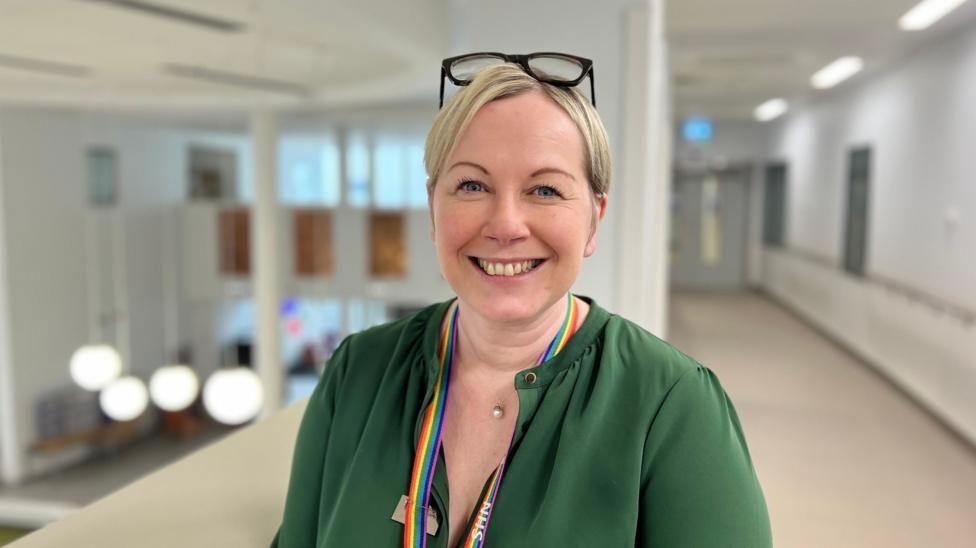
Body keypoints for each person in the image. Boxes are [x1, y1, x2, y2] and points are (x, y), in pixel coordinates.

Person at [271, 53, 771, 547]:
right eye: (471, 185)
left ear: (594, 218)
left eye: (545, 191)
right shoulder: (358, 371)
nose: (506, 225)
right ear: (432, 208)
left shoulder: (672, 404)